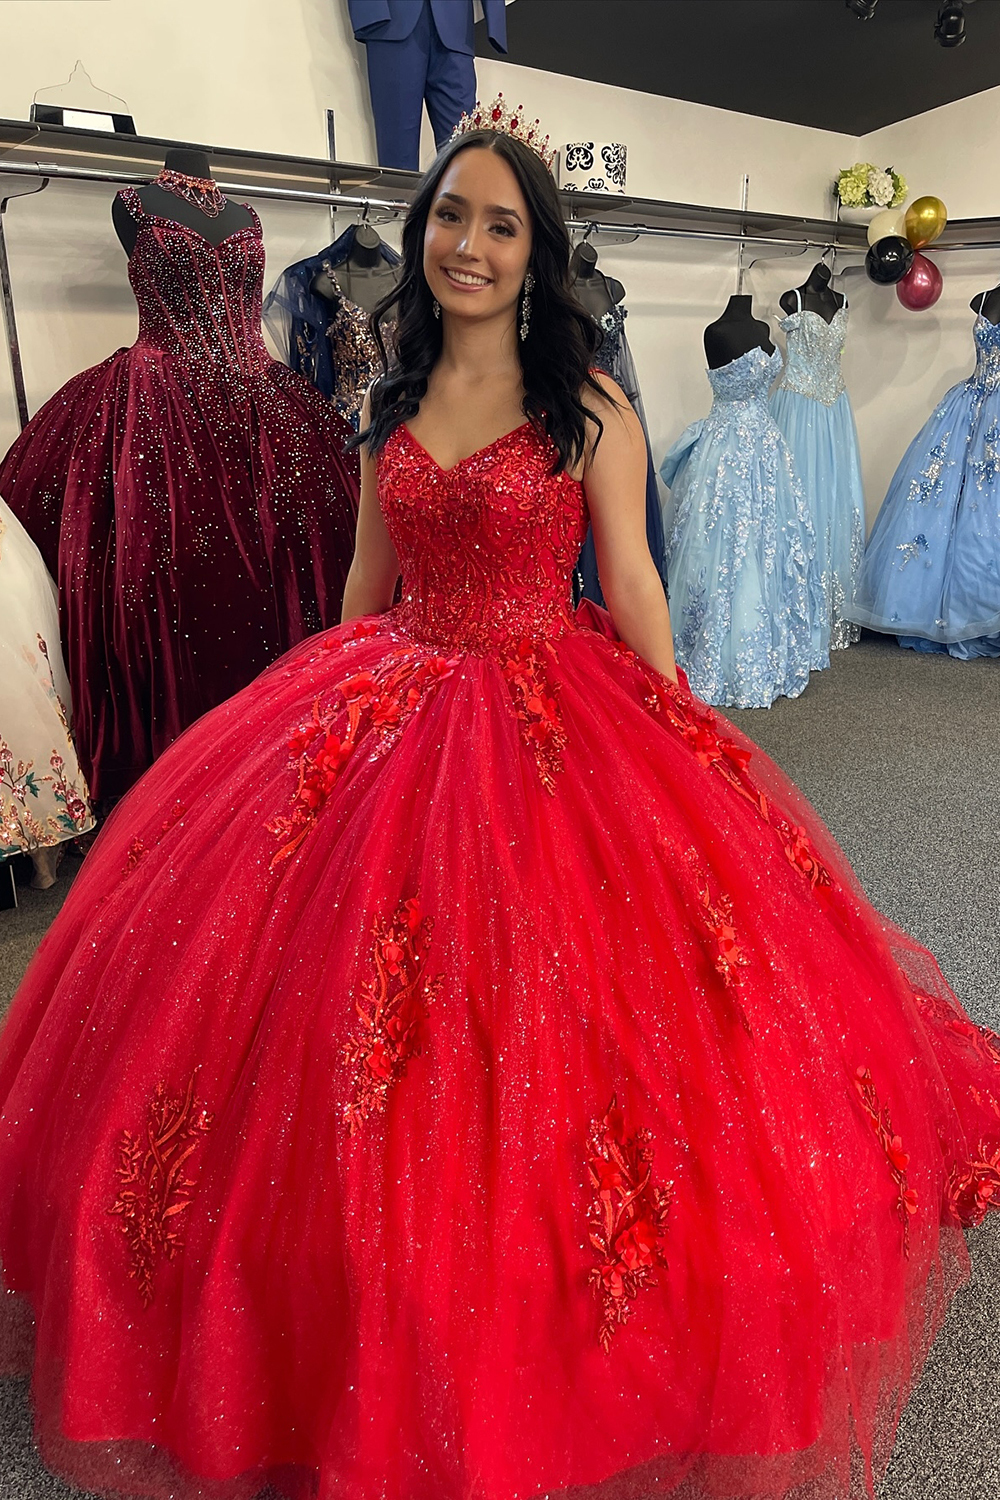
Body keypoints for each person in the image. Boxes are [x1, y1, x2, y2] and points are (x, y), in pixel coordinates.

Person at [0, 100, 998, 1500]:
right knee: (312, 1009)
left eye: (502, 224)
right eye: (453, 218)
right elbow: (364, 579)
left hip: (551, 699)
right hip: (391, 689)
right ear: (424, 240)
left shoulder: (587, 405)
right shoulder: (385, 405)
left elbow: (634, 581)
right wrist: (315, 701)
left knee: (584, 1007)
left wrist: (681, 731)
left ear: (539, 254)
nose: (470, 245)